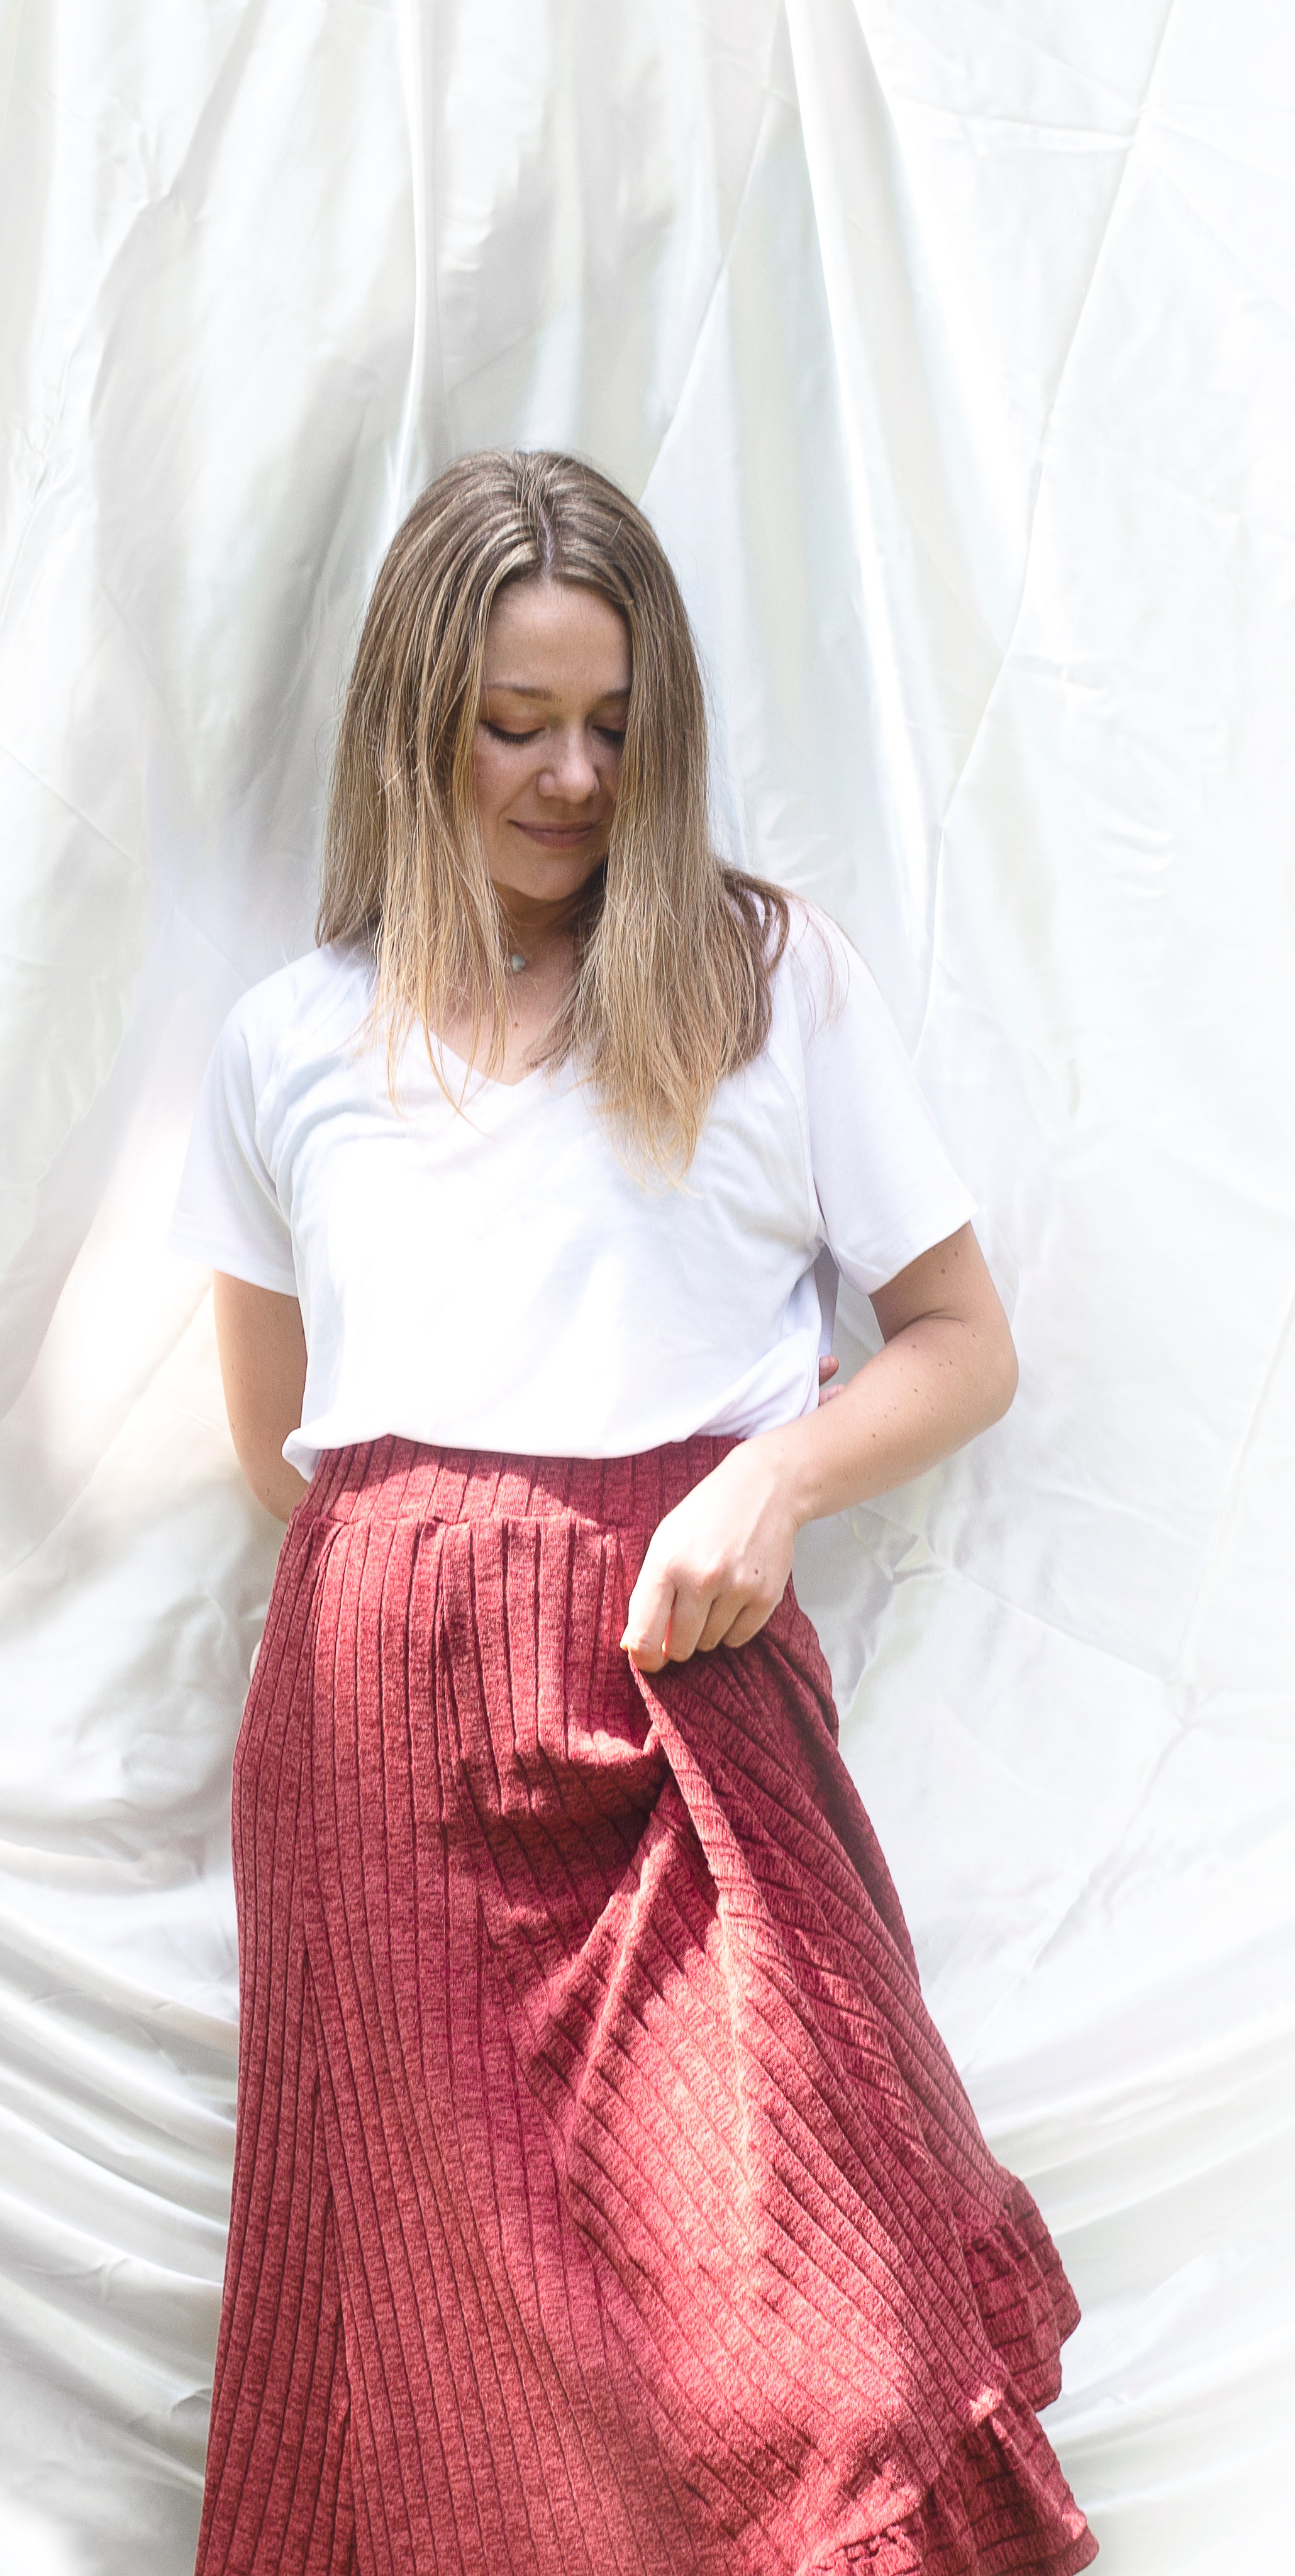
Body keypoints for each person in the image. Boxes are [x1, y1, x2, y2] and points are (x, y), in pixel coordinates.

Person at [170, 449, 1095, 2576]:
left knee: (839, 2340)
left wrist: (769, 1478)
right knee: (435, 2374)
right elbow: (282, 1444)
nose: (576, 774)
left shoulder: (765, 984)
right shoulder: (290, 1046)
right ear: (420, 715)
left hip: (688, 1694)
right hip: (379, 1763)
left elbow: (961, 1334)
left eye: (615, 721)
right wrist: (433, 1590)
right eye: (519, 722)